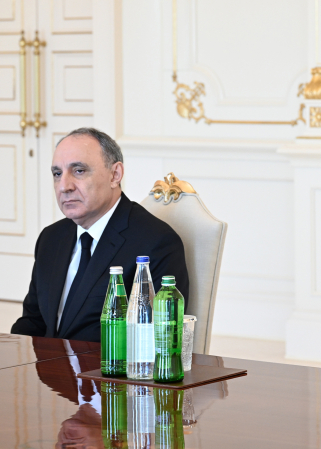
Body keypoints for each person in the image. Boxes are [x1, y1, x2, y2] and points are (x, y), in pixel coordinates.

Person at [11, 127, 188, 342]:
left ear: (115, 175)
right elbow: (33, 322)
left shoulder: (156, 243)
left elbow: (157, 339)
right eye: (57, 174)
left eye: (79, 171)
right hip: (48, 363)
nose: (64, 186)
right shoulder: (51, 238)